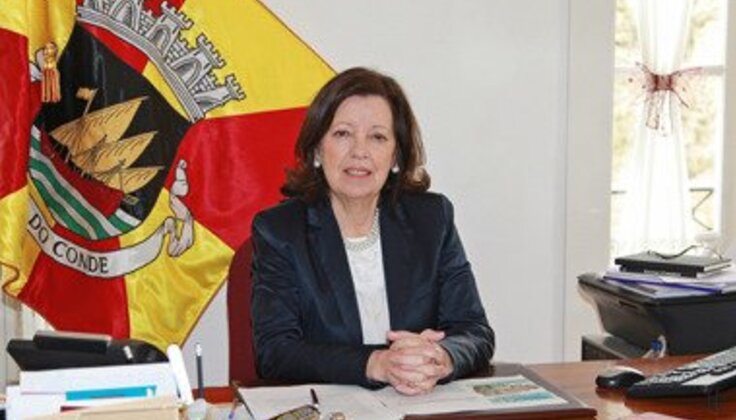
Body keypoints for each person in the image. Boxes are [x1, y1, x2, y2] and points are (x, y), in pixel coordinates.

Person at [251, 67, 494, 395]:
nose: (359, 151)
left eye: (377, 137)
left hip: (419, 405)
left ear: (395, 156)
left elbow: (474, 331)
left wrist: (442, 357)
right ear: (317, 150)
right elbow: (275, 351)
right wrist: (377, 363)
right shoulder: (280, 231)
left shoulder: (432, 220)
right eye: (343, 134)